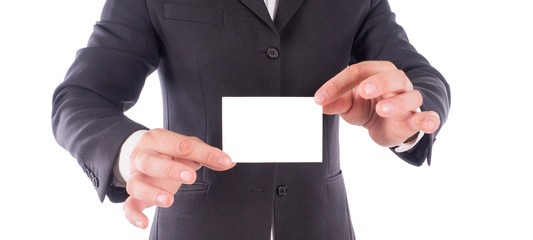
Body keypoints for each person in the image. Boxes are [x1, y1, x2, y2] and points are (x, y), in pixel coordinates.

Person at [52, 0, 450, 239]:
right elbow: (80, 97)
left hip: (321, 227)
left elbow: (419, 76)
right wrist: (126, 152)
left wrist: (408, 116)